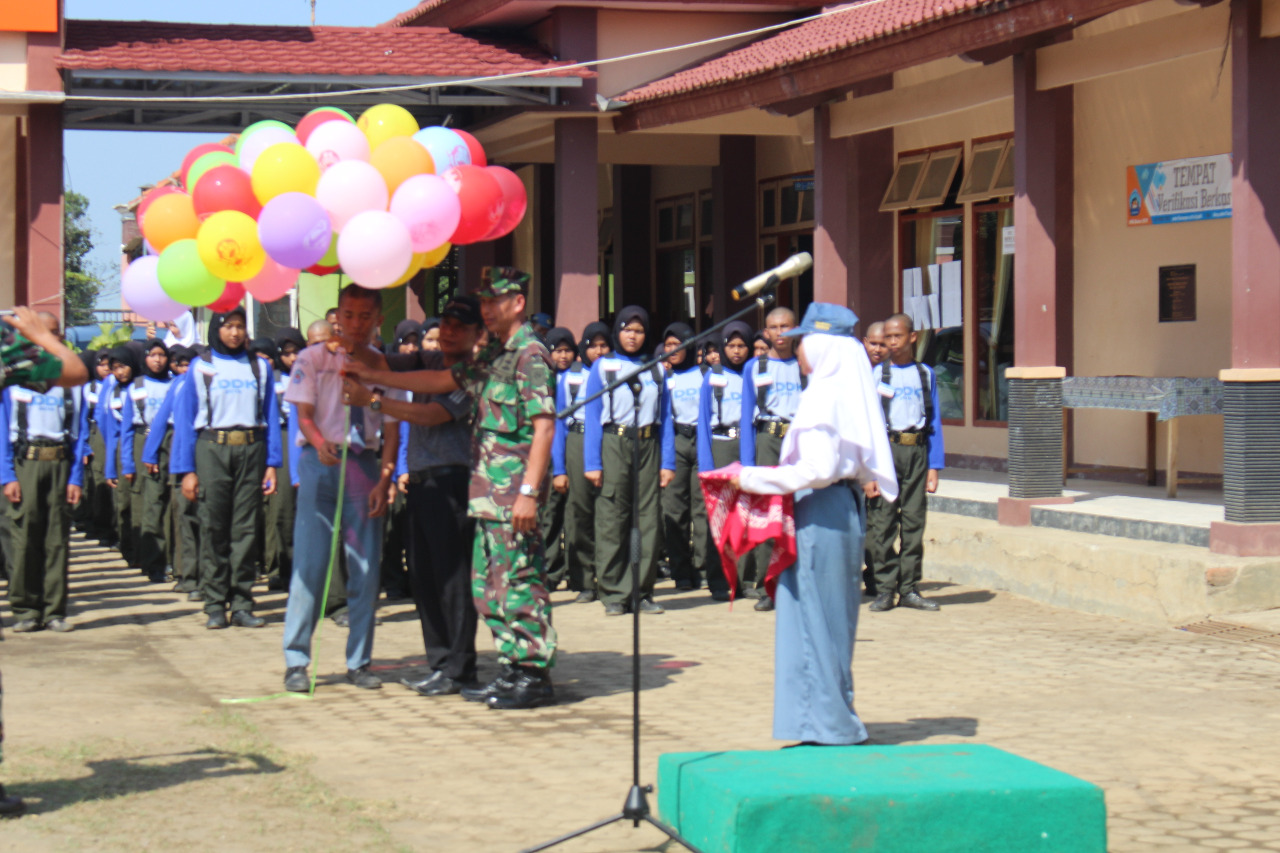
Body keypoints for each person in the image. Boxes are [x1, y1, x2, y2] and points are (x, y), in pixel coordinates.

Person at [344, 266, 559, 710]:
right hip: (487, 492)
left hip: (513, 493)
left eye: (495, 301)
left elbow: (544, 427)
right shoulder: (495, 355)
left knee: (519, 581)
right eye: (484, 301)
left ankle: (533, 675)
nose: (487, 309)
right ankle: (510, 669)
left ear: (518, 303)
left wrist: (529, 492)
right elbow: (440, 381)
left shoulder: (530, 354)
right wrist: (371, 379)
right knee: (490, 587)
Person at [734, 302, 897, 746]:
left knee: (813, 620)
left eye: (804, 341)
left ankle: (826, 723)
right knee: (826, 619)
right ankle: (823, 719)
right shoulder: (842, 390)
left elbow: (816, 470)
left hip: (820, 509)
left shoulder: (825, 395)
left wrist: (747, 478)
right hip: (837, 508)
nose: (798, 349)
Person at [281, 285, 401, 692]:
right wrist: (319, 443)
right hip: (322, 463)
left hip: (363, 466)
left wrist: (385, 478)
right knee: (310, 564)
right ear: (337, 317)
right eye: (348, 315)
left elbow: (391, 427)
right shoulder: (313, 358)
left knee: (365, 569)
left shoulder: (384, 366)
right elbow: (304, 413)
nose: (355, 324)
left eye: (365, 317)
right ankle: (296, 659)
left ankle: (359, 661)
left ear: (378, 320)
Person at [0, 305, 89, 819]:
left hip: (53, 459)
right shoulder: (7, 345)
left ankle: (47, 608)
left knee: (52, 541)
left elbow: (73, 388)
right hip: (25, 461)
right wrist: (37, 334)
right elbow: (73, 368)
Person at [369, 297, 483, 697]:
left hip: (453, 482)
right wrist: (352, 341)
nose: (449, 332)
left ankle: (460, 668)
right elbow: (382, 362)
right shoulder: (428, 361)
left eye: (460, 326)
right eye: (445, 324)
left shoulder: (473, 373)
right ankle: (439, 663)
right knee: (423, 576)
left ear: (477, 334)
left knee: (453, 579)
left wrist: (373, 400)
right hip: (419, 482)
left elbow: (431, 415)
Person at [171, 307, 282, 630]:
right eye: (228, 326)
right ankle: (215, 603)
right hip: (212, 448)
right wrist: (187, 470)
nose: (235, 332)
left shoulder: (259, 367)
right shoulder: (201, 366)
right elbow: (186, 420)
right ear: (216, 329)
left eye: (240, 326)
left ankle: (243, 603)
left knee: (245, 529)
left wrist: (272, 463)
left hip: (251, 449)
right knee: (213, 526)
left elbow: (270, 415)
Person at [583, 306, 675, 616]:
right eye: (627, 330)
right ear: (617, 332)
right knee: (613, 517)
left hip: (648, 443)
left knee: (648, 518)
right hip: (614, 441)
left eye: (639, 330)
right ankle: (613, 592)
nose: (633, 336)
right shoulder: (603, 367)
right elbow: (593, 416)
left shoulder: (656, 368)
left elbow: (666, 417)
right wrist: (592, 462)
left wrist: (668, 462)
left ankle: (642, 591)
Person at [1, 311, 86, 632]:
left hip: (59, 462)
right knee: (23, 537)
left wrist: (75, 477)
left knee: (56, 538)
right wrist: (7, 475)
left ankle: (54, 611)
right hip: (25, 462)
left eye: (53, 333)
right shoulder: (14, 377)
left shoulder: (69, 382)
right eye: (39, 332)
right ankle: (25, 609)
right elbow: (2, 430)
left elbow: (78, 433)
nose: (46, 338)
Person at [866, 313, 945, 613]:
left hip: (917, 452)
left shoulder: (925, 374)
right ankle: (885, 588)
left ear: (912, 337)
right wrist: (869, 470)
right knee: (883, 522)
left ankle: (909, 588)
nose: (891, 342)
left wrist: (934, 465)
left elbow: (934, 421)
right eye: (887, 337)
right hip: (886, 452)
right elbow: (868, 424)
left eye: (897, 336)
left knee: (914, 522)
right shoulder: (877, 375)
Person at [739, 307, 805, 611]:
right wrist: (747, 463)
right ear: (765, 332)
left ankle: (800, 583)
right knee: (769, 511)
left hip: (800, 440)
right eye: (774, 328)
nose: (780, 333)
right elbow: (746, 417)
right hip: (768, 438)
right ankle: (769, 585)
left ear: (796, 328)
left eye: (785, 326)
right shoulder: (755, 367)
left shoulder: (805, 364)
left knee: (801, 509)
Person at [551, 320, 610, 604]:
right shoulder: (570, 378)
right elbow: (558, 424)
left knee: (608, 512)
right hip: (577, 439)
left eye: (604, 345)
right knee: (579, 511)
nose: (598, 351)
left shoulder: (617, 371)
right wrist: (559, 468)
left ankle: (609, 576)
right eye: (593, 346)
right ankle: (583, 579)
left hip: (610, 440)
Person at [696, 321, 753, 601]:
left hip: (747, 446)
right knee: (719, 516)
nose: (737, 351)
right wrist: (706, 464)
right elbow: (703, 422)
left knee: (747, 514)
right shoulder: (713, 377)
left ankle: (745, 578)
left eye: (742, 346)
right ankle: (719, 580)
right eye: (731, 346)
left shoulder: (754, 374)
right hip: (720, 446)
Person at [142, 345, 199, 599]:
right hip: (179, 447)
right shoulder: (178, 385)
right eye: (181, 364)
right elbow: (161, 419)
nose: (186, 369)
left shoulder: (210, 382)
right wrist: (149, 453)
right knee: (183, 513)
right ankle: (187, 574)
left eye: (190, 364)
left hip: (210, 448)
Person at [659, 321, 710, 593]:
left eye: (677, 344)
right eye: (668, 344)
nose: (672, 349)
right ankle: (680, 571)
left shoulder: (705, 374)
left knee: (701, 507)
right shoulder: (663, 376)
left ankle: (702, 567)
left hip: (701, 440)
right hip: (676, 440)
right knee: (675, 508)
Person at [120, 339, 174, 584]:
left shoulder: (174, 383)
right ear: (144, 358)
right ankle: (153, 562)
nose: (158, 360)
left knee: (172, 504)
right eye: (152, 355)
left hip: (172, 441)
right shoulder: (137, 386)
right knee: (151, 504)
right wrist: (128, 463)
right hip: (145, 441)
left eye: (162, 355)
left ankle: (172, 559)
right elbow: (127, 429)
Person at [539, 327, 577, 590]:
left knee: (574, 515)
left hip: (573, 449)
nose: (563, 356)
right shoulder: (542, 378)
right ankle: (551, 572)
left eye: (568, 351)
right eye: (557, 351)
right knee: (550, 516)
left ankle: (576, 571)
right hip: (548, 454)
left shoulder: (581, 377)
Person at [101, 346, 139, 567]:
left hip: (140, 446)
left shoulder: (140, 387)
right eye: (115, 368)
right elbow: (109, 430)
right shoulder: (112, 391)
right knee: (123, 502)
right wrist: (110, 467)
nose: (120, 372)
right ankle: (128, 548)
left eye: (123, 366)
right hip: (120, 450)